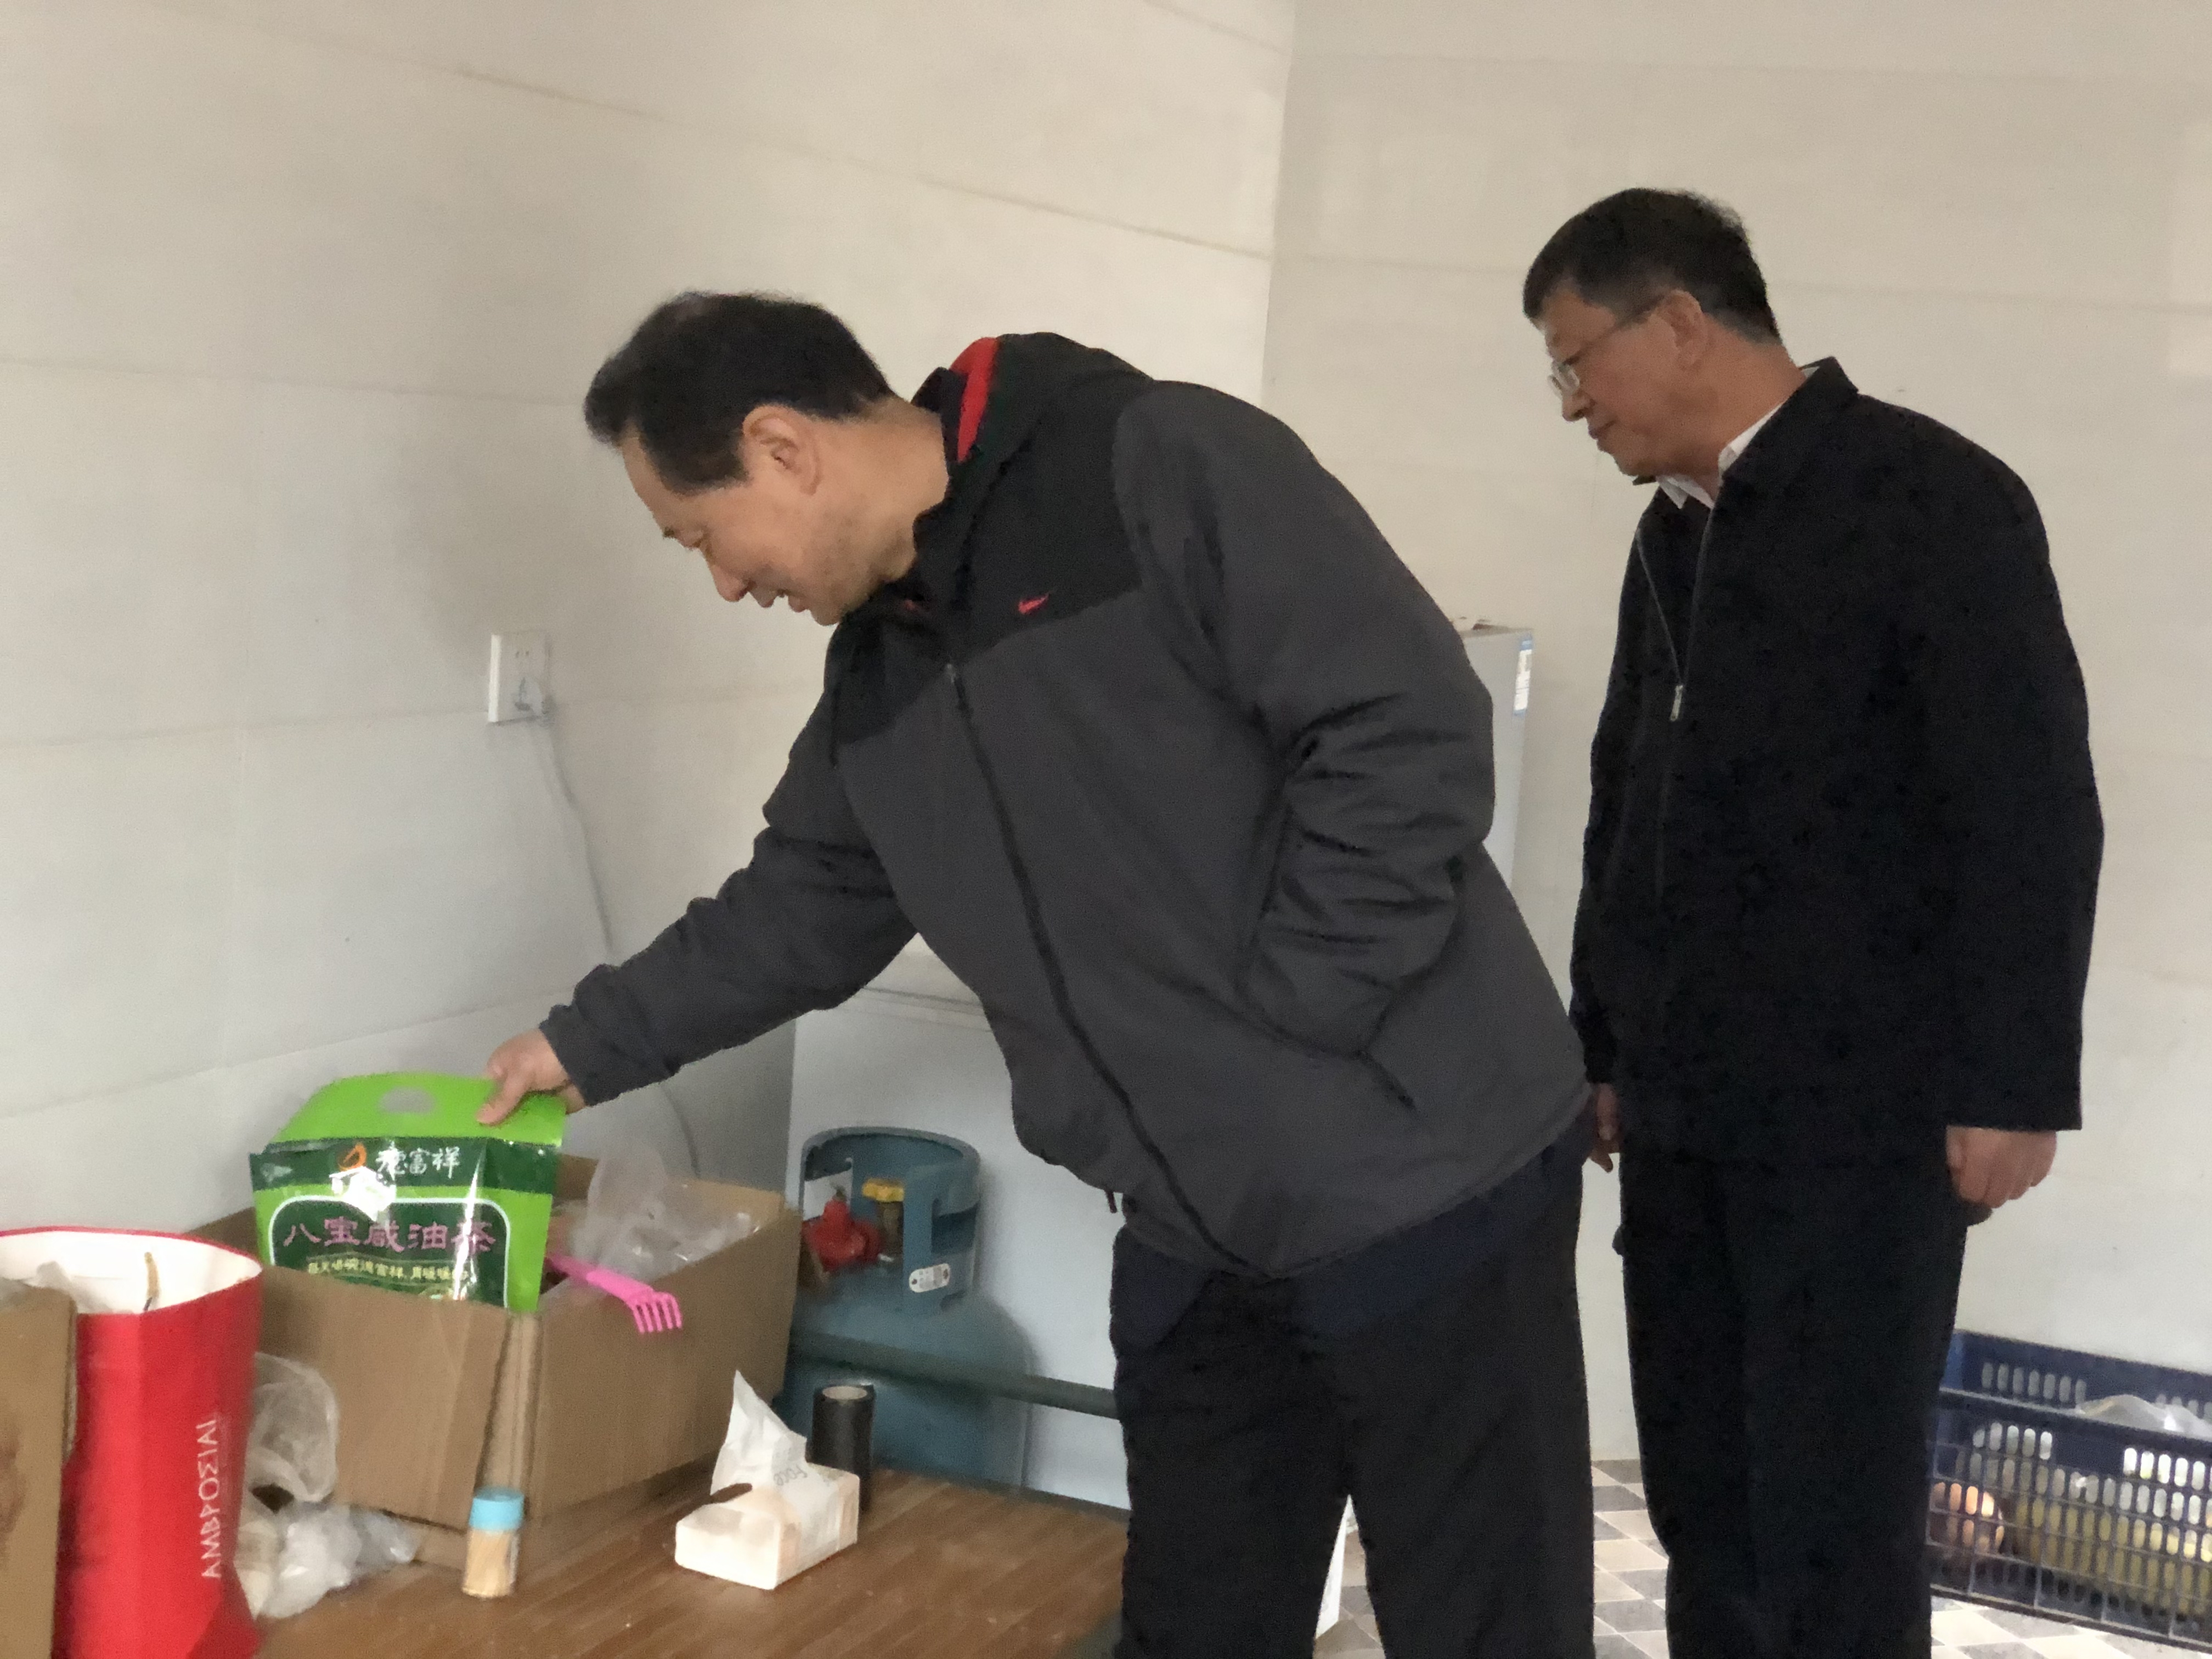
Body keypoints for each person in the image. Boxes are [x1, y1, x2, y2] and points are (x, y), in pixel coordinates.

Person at [480, 294, 1598, 1657]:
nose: (725, 582)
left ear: (782, 448)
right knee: (1192, 1629)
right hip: (1195, 1230)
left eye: (702, 537)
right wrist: (583, 1044)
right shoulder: (881, 670)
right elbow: (807, 903)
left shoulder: (1152, 465)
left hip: (1424, 1183)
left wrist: (1297, 1016)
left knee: (1486, 1628)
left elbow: (1402, 725)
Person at [1524, 189, 2103, 1658]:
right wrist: (1603, 1044)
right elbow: (1624, 803)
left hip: (1862, 1121)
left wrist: (2016, 1081)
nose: (1573, 403)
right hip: (1683, 1111)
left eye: (1577, 361)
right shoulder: (1671, 536)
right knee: (1704, 1498)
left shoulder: (1932, 499)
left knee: (1833, 1514)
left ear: (1678, 320)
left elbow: (2028, 805)